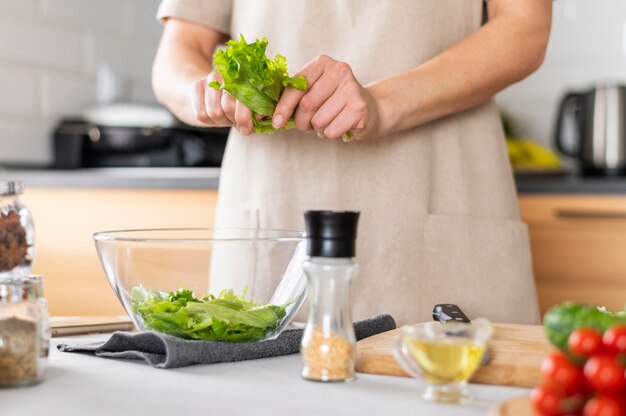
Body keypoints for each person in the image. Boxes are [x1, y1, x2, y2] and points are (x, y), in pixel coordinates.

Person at [152, 0, 552, 325]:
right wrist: (202, 94)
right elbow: (179, 50)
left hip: (437, 190)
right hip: (274, 206)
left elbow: (525, 27)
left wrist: (385, 102)